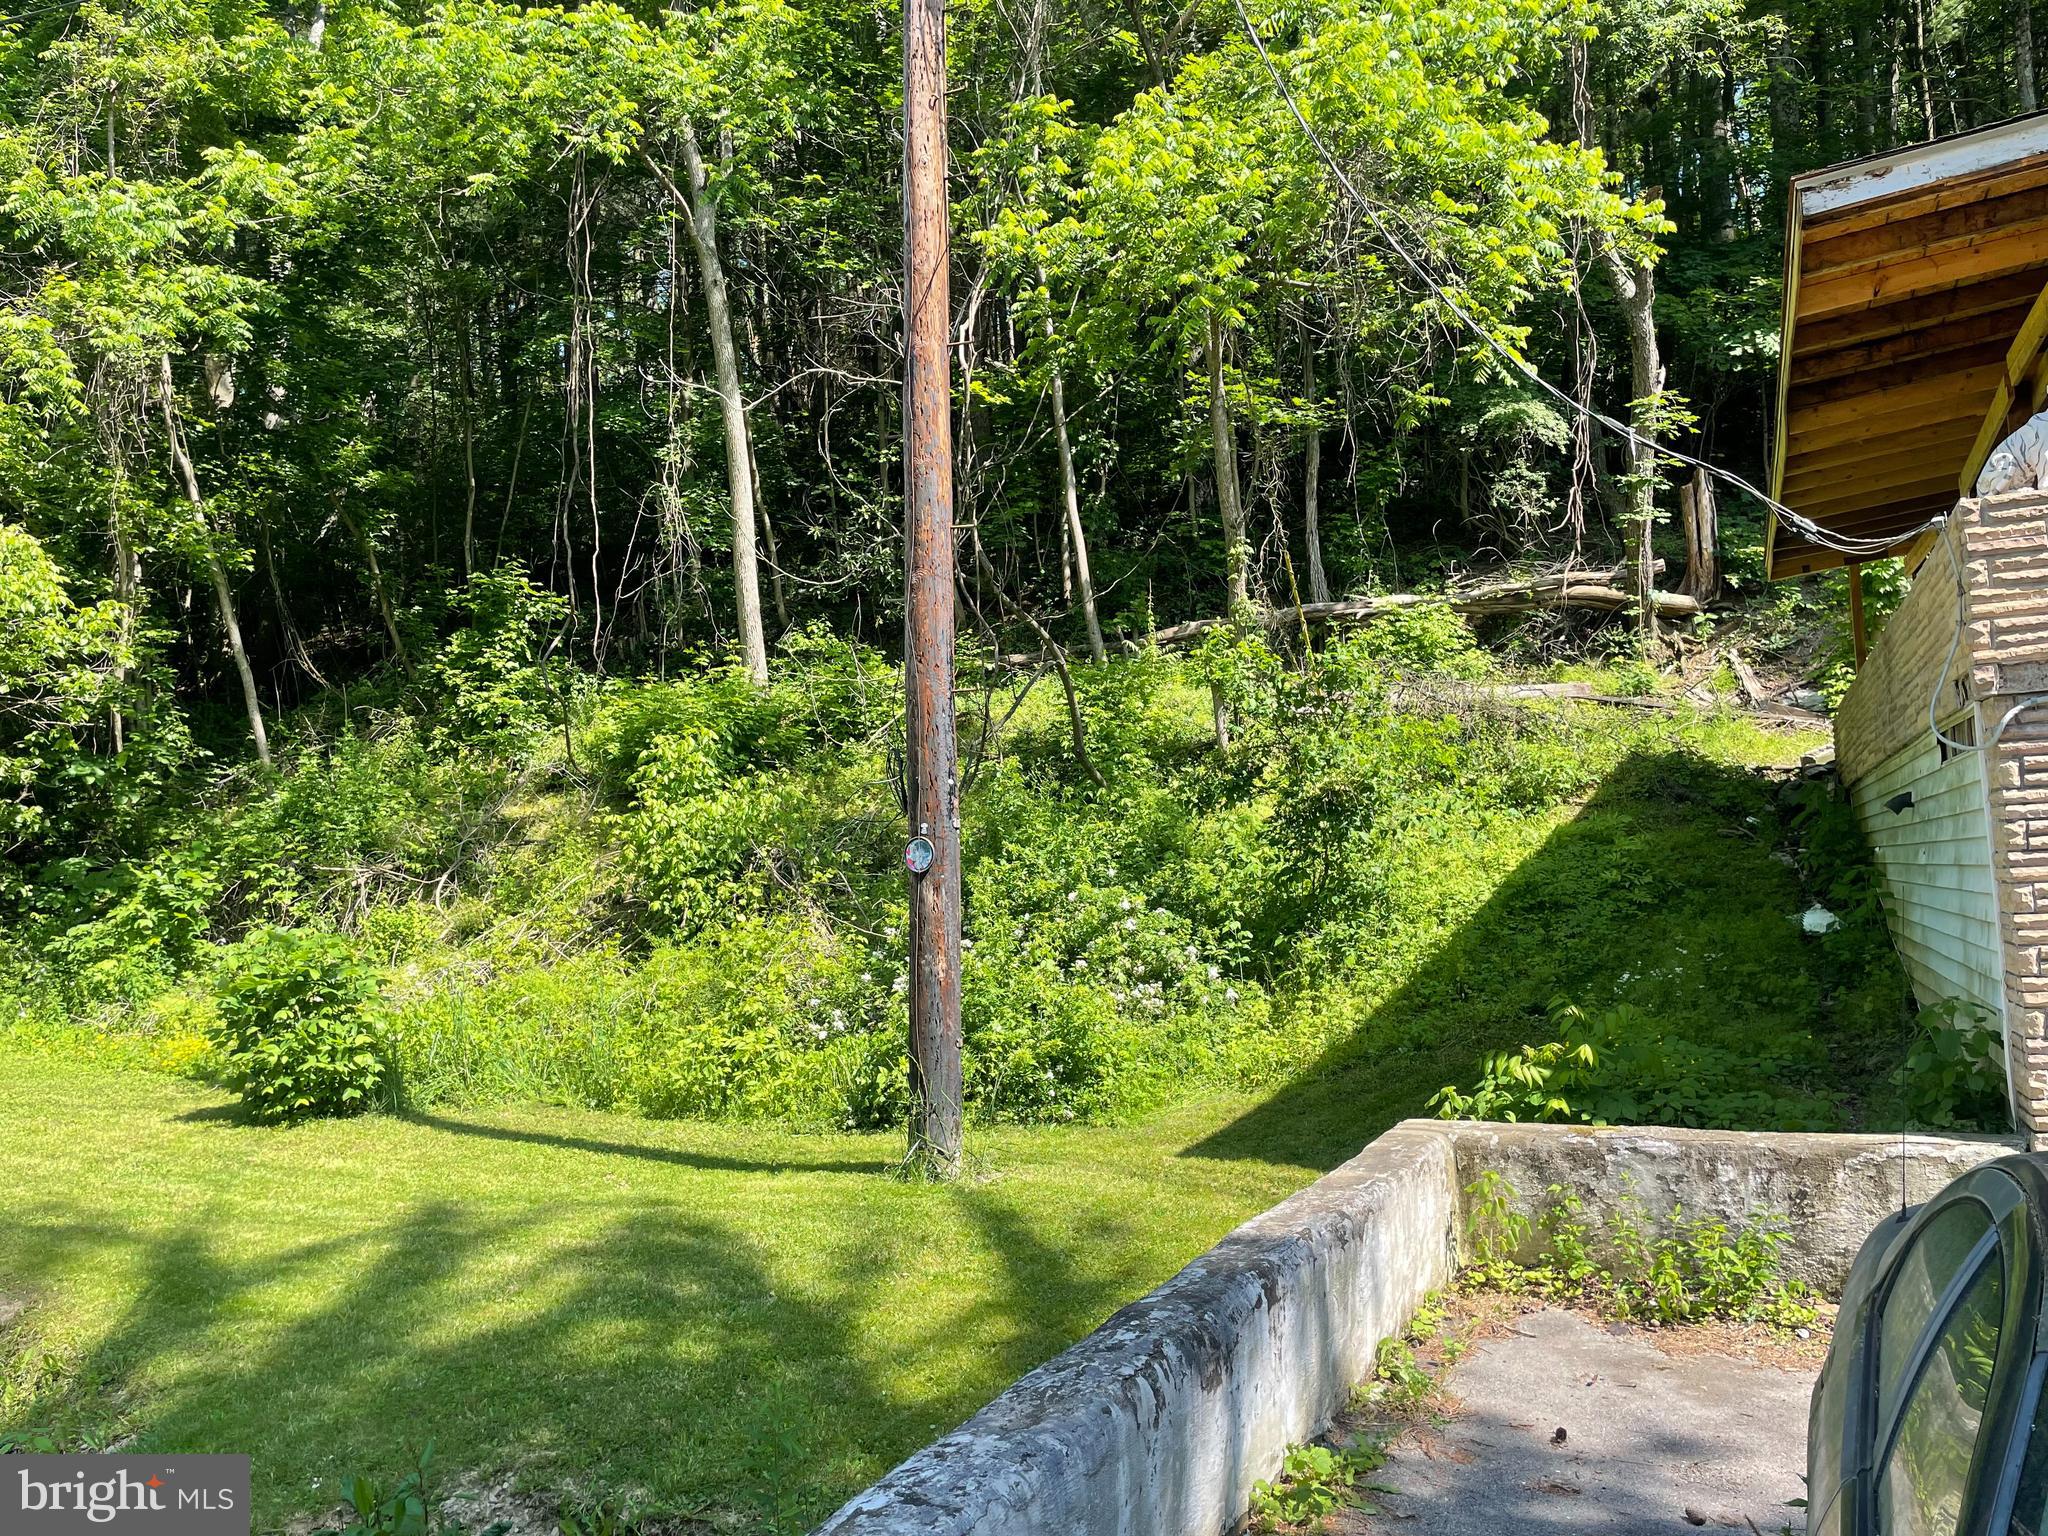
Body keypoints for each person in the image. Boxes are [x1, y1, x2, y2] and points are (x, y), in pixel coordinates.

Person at [1976, 408, 2048, 495]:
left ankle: (2009, 492)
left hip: (2018, 481)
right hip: (1990, 485)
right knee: (2006, 460)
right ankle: (2001, 491)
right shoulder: (2043, 426)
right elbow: (2044, 458)